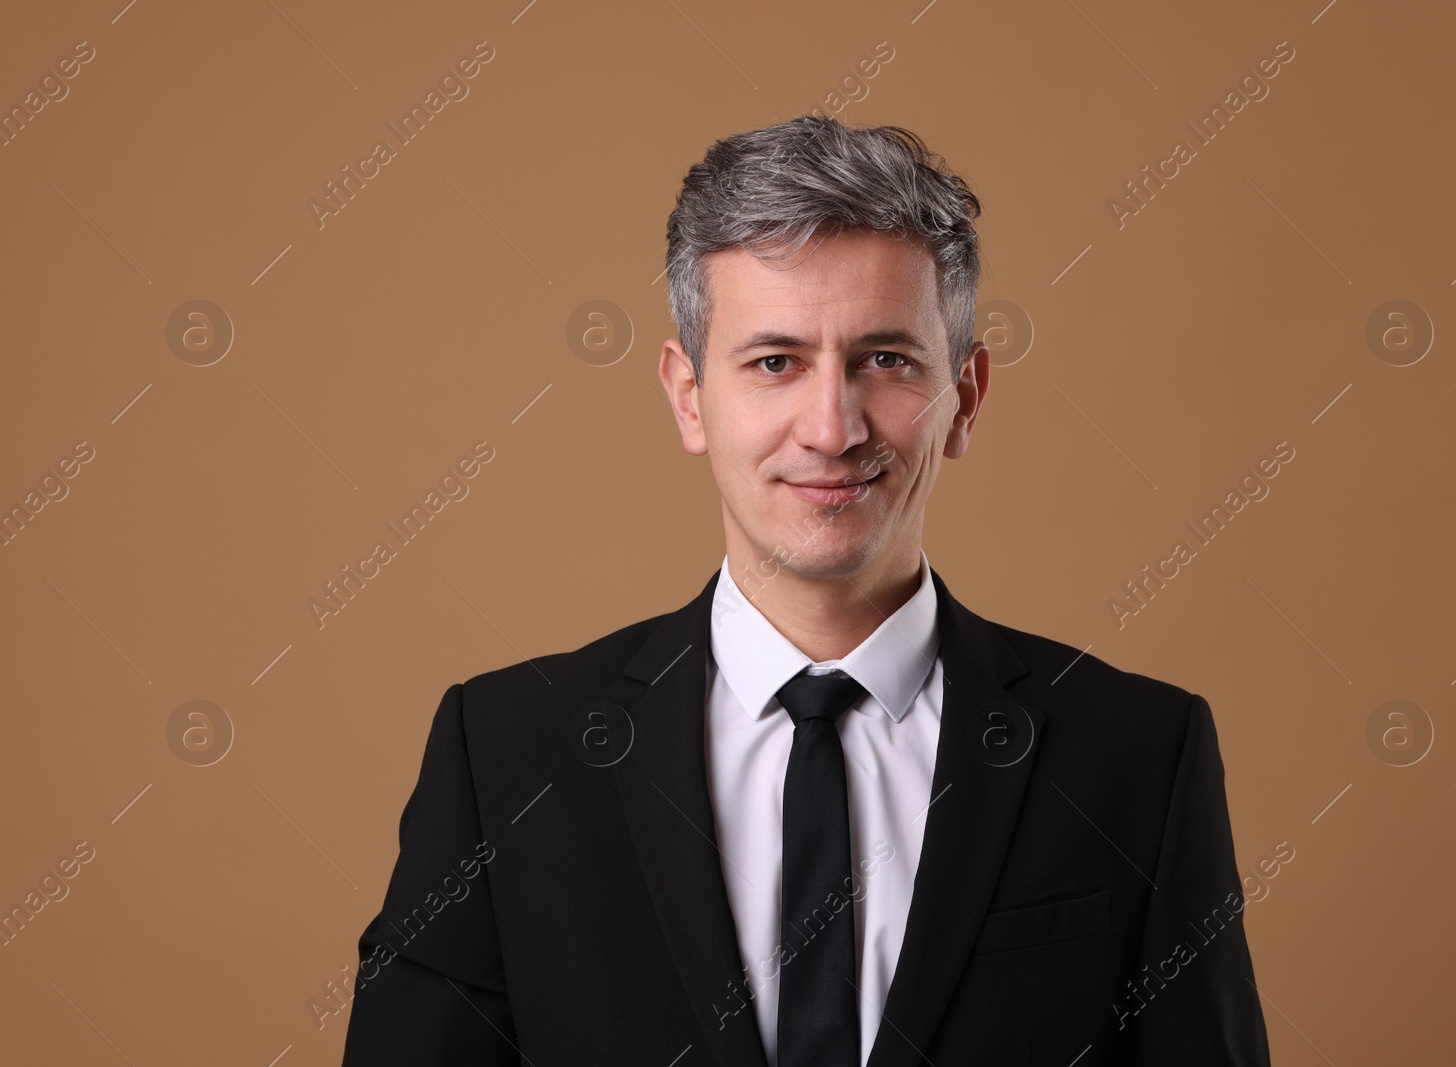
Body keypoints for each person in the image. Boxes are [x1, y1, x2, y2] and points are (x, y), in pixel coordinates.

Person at [340, 115, 1271, 1066]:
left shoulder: (1139, 760)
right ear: (689, 395)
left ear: (967, 397)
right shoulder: (503, 759)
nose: (831, 427)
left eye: (887, 360)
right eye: (775, 362)